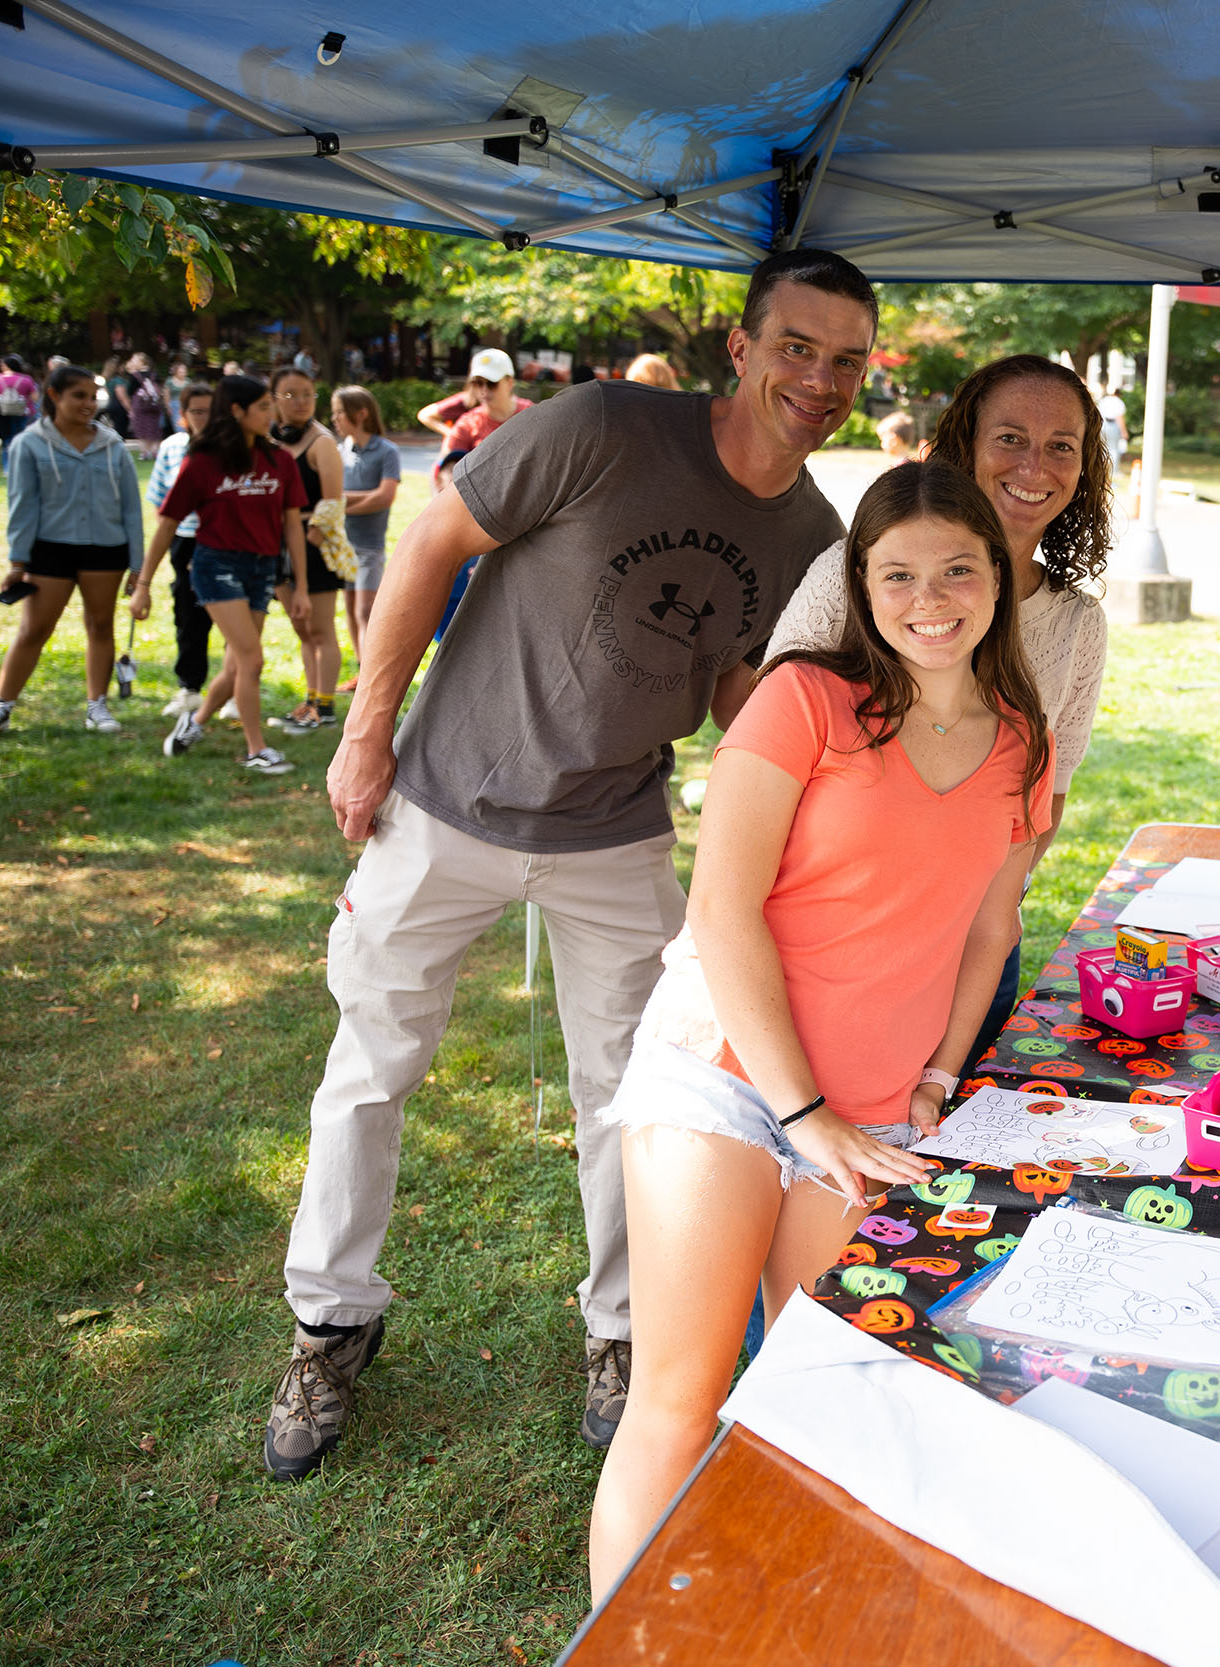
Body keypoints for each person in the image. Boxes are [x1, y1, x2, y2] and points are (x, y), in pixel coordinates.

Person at [258, 247, 876, 1483]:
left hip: (615, 836)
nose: (818, 377)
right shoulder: (599, 425)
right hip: (443, 802)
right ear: (743, 349)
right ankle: (331, 1319)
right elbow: (430, 546)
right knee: (367, 1071)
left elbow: (732, 698)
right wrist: (366, 730)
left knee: (639, 1103)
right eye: (795, 347)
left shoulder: (815, 534)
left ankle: (623, 1332)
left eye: (846, 359)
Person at [585, 459, 1049, 1595]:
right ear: (859, 583)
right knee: (681, 1396)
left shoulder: (1021, 746)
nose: (927, 597)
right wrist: (803, 1110)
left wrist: (937, 1073)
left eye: (956, 569)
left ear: (997, 579)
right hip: (727, 1078)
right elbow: (719, 907)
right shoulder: (803, 699)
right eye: (896, 573)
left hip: (879, 1105)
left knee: (819, 1394)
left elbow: (989, 929)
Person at [769, 352, 1111, 1066]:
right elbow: (775, 734)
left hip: (969, 953)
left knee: (938, 1154)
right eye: (1010, 437)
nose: (1035, 465)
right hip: (823, 941)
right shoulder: (855, 574)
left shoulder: (1076, 624)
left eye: (1061, 447)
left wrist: (979, 917)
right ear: (964, 446)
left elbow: (1048, 797)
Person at [130, 374, 309, 773]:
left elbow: (292, 525)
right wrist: (143, 585)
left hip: (262, 569)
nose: (272, 413)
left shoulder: (279, 460)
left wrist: (301, 587)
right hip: (216, 566)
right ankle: (256, 750)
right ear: (236, 410)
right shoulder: (203, 462)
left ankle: (193, 723)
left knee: (236, 666)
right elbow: (166, 525)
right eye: (263, 406)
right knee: (251, 659)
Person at [0, 364, 144, 737]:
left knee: (100, 625)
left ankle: (97, 705)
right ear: (53, 395)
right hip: (50, 551)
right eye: (79, 396)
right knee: (34, 629)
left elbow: (130, 507)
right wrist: (18, 562)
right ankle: (3, 704)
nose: (88, 404)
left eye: (93, 397)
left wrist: (137, 565)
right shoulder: (29, 444)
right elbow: (22, 507)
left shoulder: (112, 445)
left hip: (105, 550)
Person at [268, 367, 350, 733]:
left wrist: (308, 542)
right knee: (301, 630)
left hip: (311, 546)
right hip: (275, 542)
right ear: (273, 400)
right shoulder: (269, 440)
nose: (300, 402)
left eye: (307, 394)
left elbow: (332, 503)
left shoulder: (322, 442)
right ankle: (310, 699)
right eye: (290, 394)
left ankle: (326, 706)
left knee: (320, 630)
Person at [144, 381, 220, 718]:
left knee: (241, 619)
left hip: (225, 542)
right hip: (185, 539)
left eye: (210, 411)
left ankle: (232, 690)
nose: (204, 418)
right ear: (183, 415)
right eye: (196, 411)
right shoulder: (173, 447)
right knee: (188, 615)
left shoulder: (233, 448)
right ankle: (189, 686)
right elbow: (162, 502)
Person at [330, 385, 401, 681]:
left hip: (369, 546)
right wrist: (355, 499)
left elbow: (384, 497)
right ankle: (362, 670)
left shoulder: (386, 451)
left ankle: (372, 672)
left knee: (365, 610)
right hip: (342, 545)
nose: (334, 419)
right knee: (349, 607)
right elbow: (331, 496)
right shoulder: (339, 450)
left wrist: (341, 503)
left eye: (339, 413)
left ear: (360, 414)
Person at [432, 348, 528, 489]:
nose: (484, 390)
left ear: (510, 382)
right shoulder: (468, 423)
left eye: (491, 383)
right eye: (477, 383)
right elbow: (446, 470)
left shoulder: (532, 416)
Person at [125, 353, 168, 456]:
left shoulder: (135, 376)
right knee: (154, 429)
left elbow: (130, 391)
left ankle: (145, 452)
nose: (132, 361)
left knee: (142, 429)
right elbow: (161, 389)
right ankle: (155, 451)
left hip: (140, 406)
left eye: (134, 360)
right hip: (154, 406)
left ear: (141, 361)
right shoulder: (154, 374)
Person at [0, 355, 39, 447]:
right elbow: (35, 398)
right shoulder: (26, 379)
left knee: (7, 439)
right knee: (22, 437)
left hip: (3, 413)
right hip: (23, 412)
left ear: (6, 366)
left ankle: (7, 460)